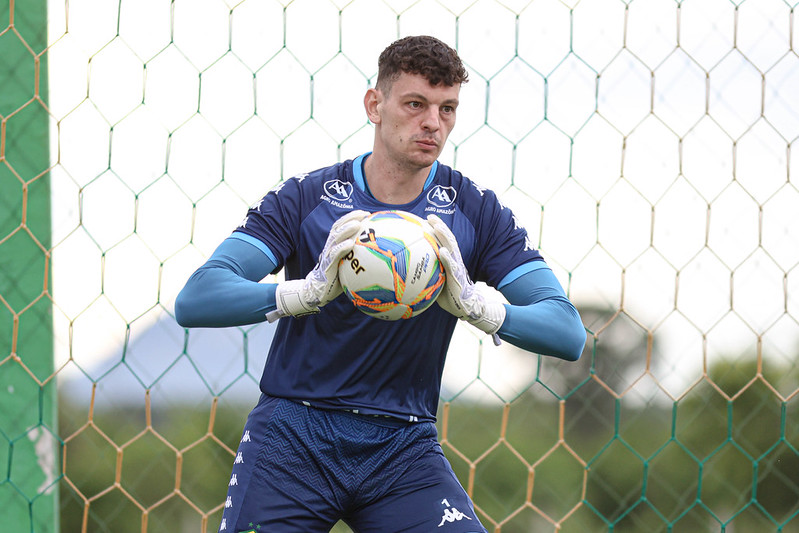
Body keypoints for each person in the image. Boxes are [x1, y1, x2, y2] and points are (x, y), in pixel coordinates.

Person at [175, 35, 585, 533]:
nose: (433, 122)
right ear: (375, 104)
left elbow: (567, 331)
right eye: (416, 104)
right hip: (293, 436)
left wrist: (480, 307)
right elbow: (198, 297)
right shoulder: (307, 199)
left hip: (403, 448)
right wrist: (301, 294)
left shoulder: (474, 212)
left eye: (447, 108)